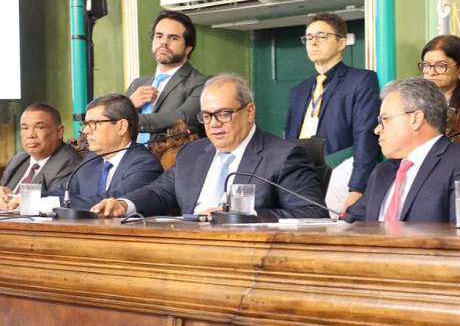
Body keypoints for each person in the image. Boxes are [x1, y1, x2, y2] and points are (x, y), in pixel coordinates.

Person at [92, 74, 329, 219]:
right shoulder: (193, 152)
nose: (213, 124)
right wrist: (124, 204)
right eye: (206, 116)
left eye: (223, 114)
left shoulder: (283, 156)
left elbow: (313, 212)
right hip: (189, 248)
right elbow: (159, 192)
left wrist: (244, 216)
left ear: (249, 112)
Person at [345, 77, 460, 222]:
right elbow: (350, 223)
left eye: (385, 119)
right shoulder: (382, 172)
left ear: (416, 119)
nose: (377, 130)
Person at [285, 12, 380, 212]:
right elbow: (289, 143)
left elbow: (365, 136)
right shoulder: (298, 91)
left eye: (322, 36)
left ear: (341, 42)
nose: (313, 42)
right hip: (299, 182)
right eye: (309, 37)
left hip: (339, 178)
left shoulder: (361, 80)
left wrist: (357, 187)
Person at [3, 94, 164, 211]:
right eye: (85, 124)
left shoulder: (144, 163)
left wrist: (41, 203)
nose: (86, 131)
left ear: (121, 126)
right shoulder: (92, 160)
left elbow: (110, 200)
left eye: (94, 124)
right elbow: (63, 192)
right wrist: (19, 198)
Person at [125, 10, 208, 143]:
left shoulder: (203, 83)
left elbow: (183, 117)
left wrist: (125, 117)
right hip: (131, 154)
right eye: (159, 36)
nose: (164, 42)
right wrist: (129, 104)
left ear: (188, 48)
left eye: (173, 38)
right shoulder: (137, 84)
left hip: (174, 155)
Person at [0, 103, 81, 210]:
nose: (30, 135)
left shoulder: (69, 163)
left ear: (59, 131)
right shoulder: (17, 160)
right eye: (25, 128)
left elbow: (56, 207)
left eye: (40, 127)